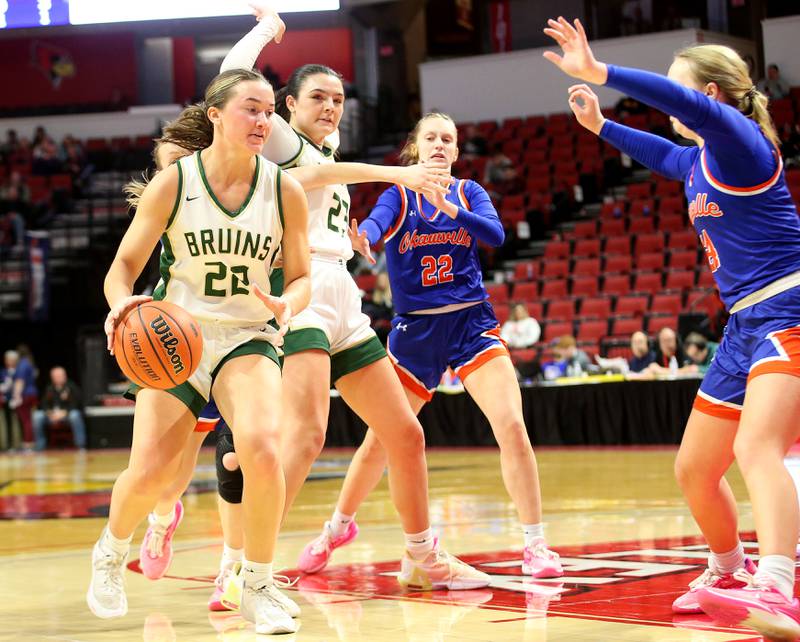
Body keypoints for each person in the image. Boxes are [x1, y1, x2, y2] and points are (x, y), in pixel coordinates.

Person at [134, 4, 488, 603]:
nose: (330, 107)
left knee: (405, 433)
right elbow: (232, 71)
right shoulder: (275, 140)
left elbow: (331, 174)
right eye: (318, 97)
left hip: (342, 293)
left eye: (338, 100)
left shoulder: (326, 151)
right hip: (291, 296)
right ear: (287, 106)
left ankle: (423, 554)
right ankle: (244, 565)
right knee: (300, 437)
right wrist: (269, 29)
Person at [544, 16, 800, 638]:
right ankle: (729, 569)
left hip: (789, 307)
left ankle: (780, 585)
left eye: (678, 88)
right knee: (693, 469)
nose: (670, 100)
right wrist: (601, 125)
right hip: (743, 324)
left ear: (709, 96)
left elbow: (682, 105)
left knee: (755, 449)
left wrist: (600, 72)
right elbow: (657, 152)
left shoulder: (741, 144)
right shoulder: (697, 161)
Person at [87, 67, 312, 635]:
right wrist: (122, 306)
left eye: (269, 111)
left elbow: (303, 277)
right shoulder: (175, 183)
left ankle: (257, 582)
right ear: (215, 115)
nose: (264, 120)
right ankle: (111, 554)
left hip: (248, 336)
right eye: (251, 109)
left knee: (262, 448)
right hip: (178, 335)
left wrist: (288, 303)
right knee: (151, 474)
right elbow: (122, 269)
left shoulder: (284, 188)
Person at [297, 112, 562, 579]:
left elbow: (494, 234)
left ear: (457, 151)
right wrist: (366, 240)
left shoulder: (469, 193)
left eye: (448, 139)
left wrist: (452, 207)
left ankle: (535, 544)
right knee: (380, 442)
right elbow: (375, 227)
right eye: (431, 138)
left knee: (512, 426)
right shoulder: (398, 196)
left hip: (470, 325)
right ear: (415, 148)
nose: (440, 145)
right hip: (415, 333)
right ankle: (336, 527)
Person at [33, 366, 87, 450]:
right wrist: (50, 413)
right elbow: (44, 404)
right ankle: (40, 446)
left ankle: (80, 445)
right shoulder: (49, 388)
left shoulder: (71, 387)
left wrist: (64, 413)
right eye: (56, 376)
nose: (59, 378)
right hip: (52, 416)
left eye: (61, 375)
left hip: (66, 416)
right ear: (52, 378)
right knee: (37, 416)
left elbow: (76, 404)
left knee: (75, 415)